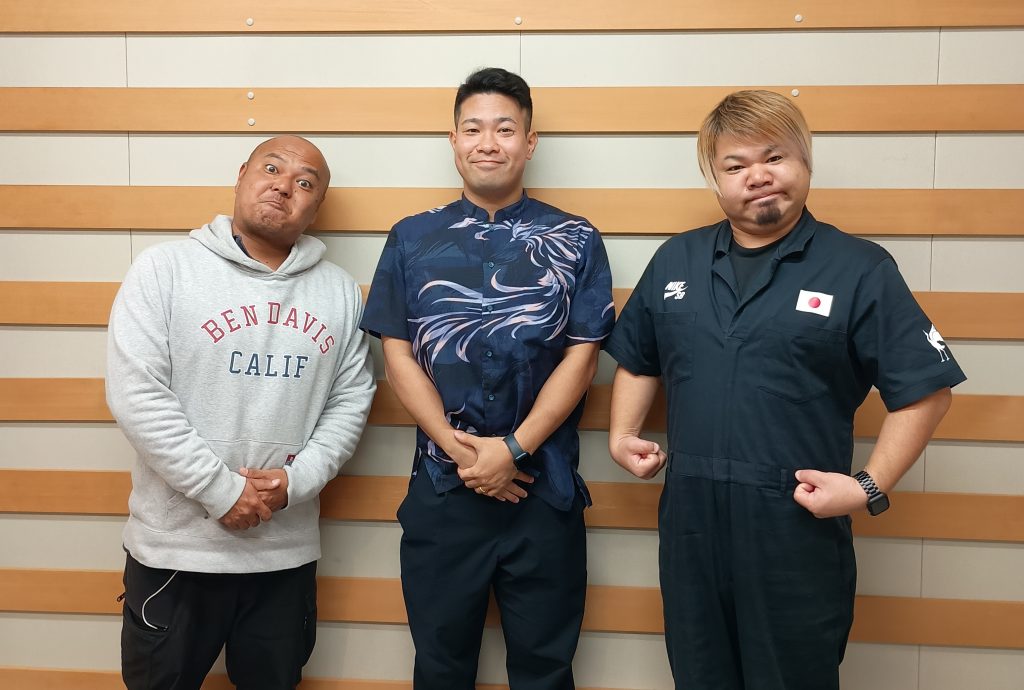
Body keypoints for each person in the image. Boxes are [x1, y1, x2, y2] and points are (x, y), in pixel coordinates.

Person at [605, 90, 966, 690]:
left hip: (794, 530)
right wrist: (622, 435)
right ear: (714, 179)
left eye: (774, 157)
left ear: (805, 161)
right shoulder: (676, 261)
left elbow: (926, 390)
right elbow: (640, 360)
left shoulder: (859, 268)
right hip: (691, 527)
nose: (758, 176)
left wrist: (868, 485)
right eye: (735, 165)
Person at [360, 67, 614, 690]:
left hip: (544, 491)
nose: (488, 143)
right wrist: (460, 450)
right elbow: (398, 354)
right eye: (472, 129)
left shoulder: (577, 238)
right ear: (453, 140)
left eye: (504, 129)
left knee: (546, 670)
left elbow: (582, 357)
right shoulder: (411, 238)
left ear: (529, 142)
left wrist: (514, 448)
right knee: (440, 668)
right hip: (443, 489)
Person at [106, 135, 376, 690]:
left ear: (317, 205)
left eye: (305, 182)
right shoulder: (164, 269)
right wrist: (220, 490)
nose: (284, 186)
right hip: (176, 552)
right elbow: (137, 394)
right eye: (271, 168)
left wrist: (296, 481)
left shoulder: (340, 293)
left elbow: (351, 400)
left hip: (283, 556)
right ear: (241, 175)